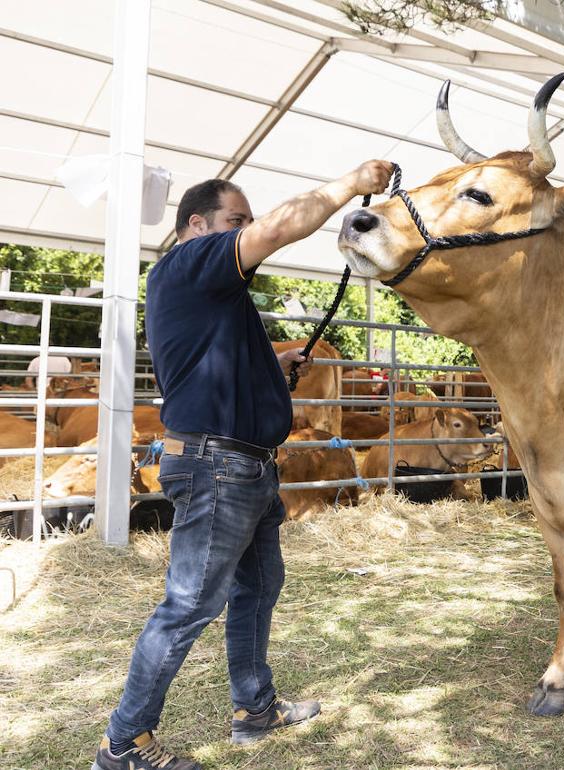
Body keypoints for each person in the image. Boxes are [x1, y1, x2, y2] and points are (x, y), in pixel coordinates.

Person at [92, 161, 391, 770]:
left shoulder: (213, 297)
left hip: (244, 467)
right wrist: (349, 183)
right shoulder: (191, 261)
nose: (247, 231)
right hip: (217, 466)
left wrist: (275, 360)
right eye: (237, 221)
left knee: (259, 585)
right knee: (189, 604)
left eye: (247, 222)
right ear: (195, 225)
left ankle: (255, 709)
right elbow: (282, 227)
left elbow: (219, 364)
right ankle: (123, 742)